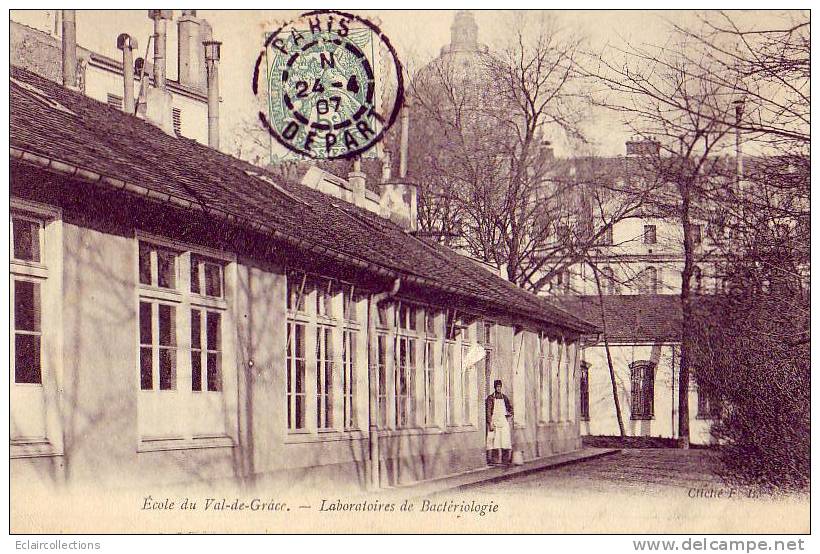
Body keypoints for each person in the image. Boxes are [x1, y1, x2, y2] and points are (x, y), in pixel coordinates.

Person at [485, 380, 513, 466]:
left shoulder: (504, 397)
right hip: (494, 421)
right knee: (492, 440)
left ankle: (506, 460)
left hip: (503, 421)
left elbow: (510, 408)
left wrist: (509, 414)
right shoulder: (491, 398)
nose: (499, 388)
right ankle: (492, 460)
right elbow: (488, 411)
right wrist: (490, 423)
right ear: (495, 387)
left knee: (505, 439)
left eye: (500, 387)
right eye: (497, 387)